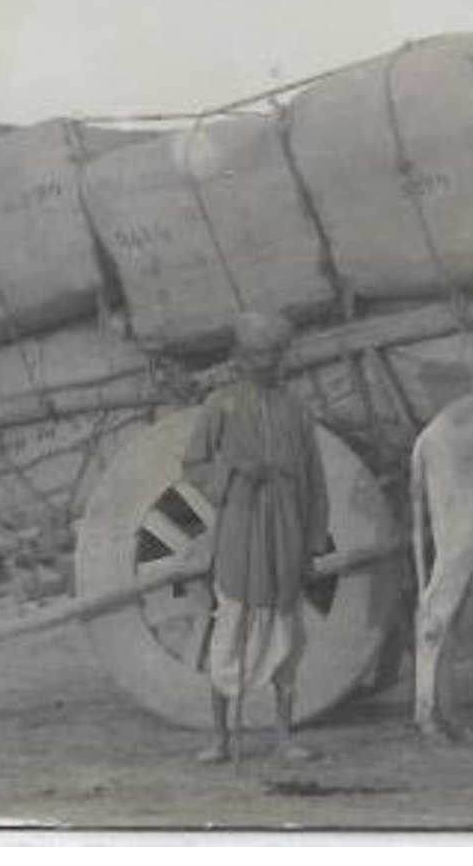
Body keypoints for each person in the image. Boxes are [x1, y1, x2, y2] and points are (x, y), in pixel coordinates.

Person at [181, 311, 330, 764]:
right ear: (240, 359)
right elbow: (193, 464)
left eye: (274, 355)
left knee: (285, 636)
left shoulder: (296, 409)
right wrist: (233, 474)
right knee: (230, 631)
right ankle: (221, 739)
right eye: (258, 356)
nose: (267, 363)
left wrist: (311, 542)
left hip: (285, 530)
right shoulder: (219, 406)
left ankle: (284, 736)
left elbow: (316, 481)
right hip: (240, 529)